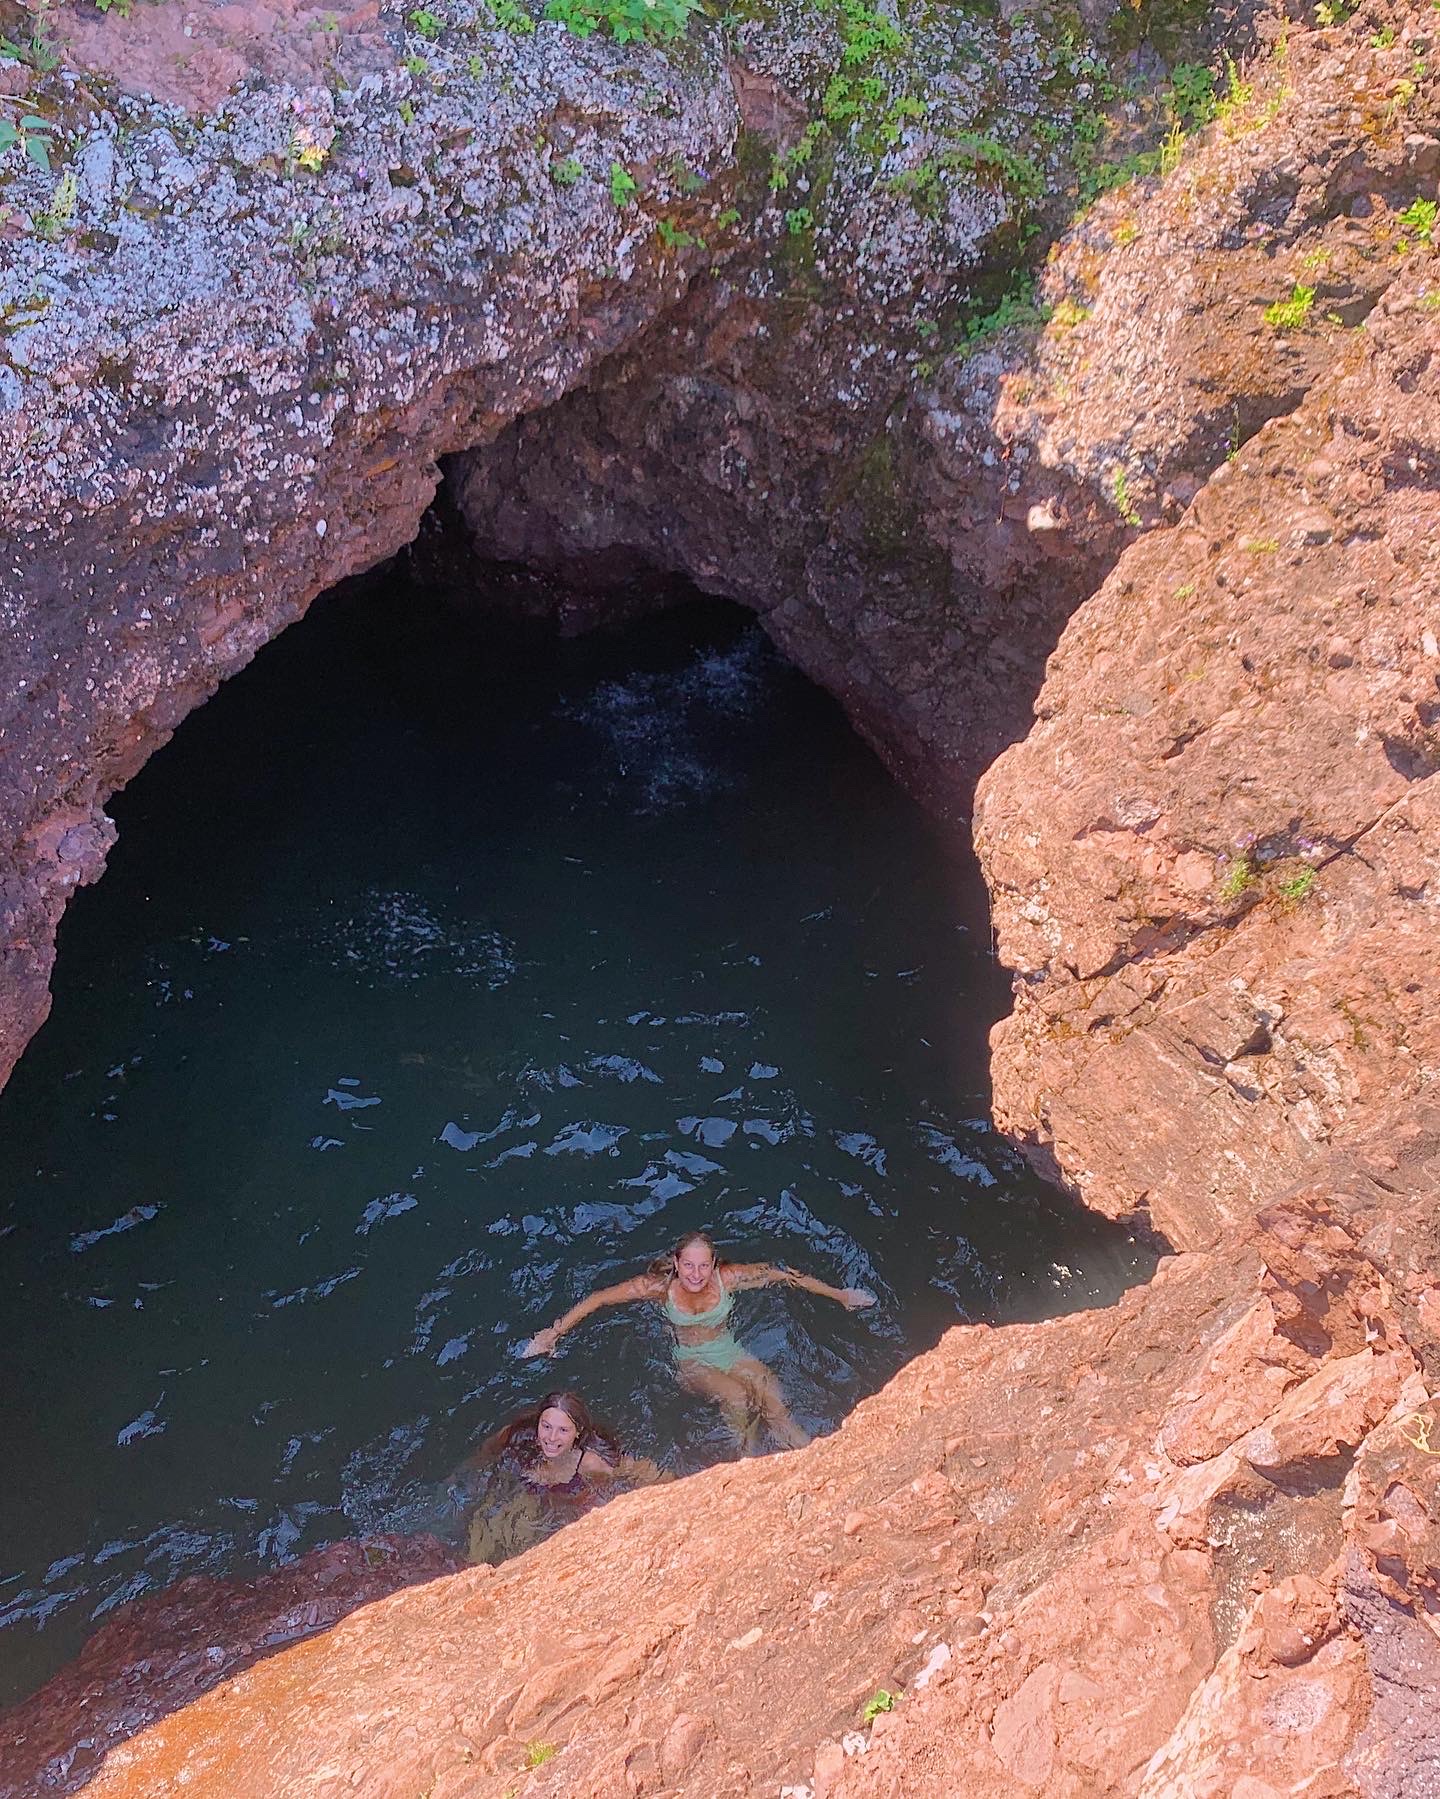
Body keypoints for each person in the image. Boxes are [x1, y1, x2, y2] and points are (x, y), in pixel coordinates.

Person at [521, 1231, 876, 1451]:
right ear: (676, 1263)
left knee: (769, 1392)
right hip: (691, 1361)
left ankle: (812, 1455)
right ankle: (746, 1457)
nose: (696, 1274)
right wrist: (554, 1332)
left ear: (714, 1263)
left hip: (728, 1350)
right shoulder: (660, 1288)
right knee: (737, 1397)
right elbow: (600, 1298)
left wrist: (841, 1296)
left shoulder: (728, 1279)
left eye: (703, 1266)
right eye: (689, 1266)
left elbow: (784, 1276)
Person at [456, 1389, 662, 1564]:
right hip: (526, 1495)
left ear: (578, 1432)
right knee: (481, 1538)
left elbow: (639, 1471)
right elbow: (484, 1455)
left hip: (565, 1505)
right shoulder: (520, 1435)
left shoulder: (590, 1462)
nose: (551, 1438)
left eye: (563, 1430)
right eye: (546, 1426)